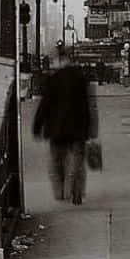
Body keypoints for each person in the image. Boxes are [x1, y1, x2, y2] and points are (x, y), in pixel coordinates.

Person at [32, 51, 97, 205]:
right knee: (78, 161)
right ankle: (77, 192)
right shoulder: (80, 79)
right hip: (78, 128)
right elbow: (88, 106)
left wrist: (37, 126)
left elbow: (44, 106)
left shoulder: (52, 80)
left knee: (57, 161)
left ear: (59, 62)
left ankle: (60, 191)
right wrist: (91, 128)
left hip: (57, 129)